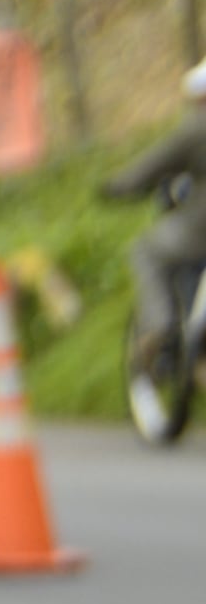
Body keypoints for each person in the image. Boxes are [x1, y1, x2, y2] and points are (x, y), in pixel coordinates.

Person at [104, 70, 206, 391]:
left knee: (146, 250)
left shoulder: (197, 129)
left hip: (199, 232)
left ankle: (160, 326)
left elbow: (151, 166)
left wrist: (116, 187)